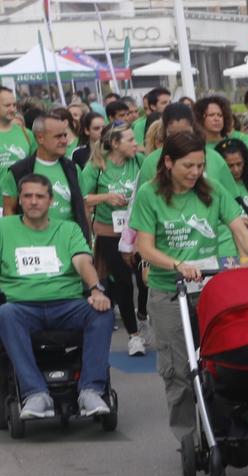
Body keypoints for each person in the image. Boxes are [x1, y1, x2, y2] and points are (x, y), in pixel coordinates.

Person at [131, 130, 248, 459]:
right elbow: (144, 246)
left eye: (200, 166)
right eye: (187, 166)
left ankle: (232, 422)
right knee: (178, 371)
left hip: (210, 287)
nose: (194, 173)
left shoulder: (212, 190)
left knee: (228, 357)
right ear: (168, 163)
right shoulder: (150, 195)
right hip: (168, 289)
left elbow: (237, 227)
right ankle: (188, 439)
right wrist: (177, 263)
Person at [0, 174, 115, 420]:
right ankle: (34, 393)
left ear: (50, 201)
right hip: (21, 308)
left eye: (39, 196)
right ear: (19, 200)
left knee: (102, 311)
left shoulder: (68, 229)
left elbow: (82, 261)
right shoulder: (4, 228)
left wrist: (96, 289)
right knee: (5, 314)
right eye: (27, 196)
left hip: (66, 305)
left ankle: (91, 390)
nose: (33, 201)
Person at [81, 122, 144, 355]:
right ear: (115, 144)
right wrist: (105, 197)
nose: (135, 144)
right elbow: (83, 197)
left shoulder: (138, 162)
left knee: (144, 280)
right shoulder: (97, 166)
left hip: (138, 231)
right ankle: (133, 335)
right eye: (130, 140)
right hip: (109, 232)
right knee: (124, 281)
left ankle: (142, 314)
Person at [4, 112, 86, 228]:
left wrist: (87, 239)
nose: (64, 141)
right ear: (40, 138)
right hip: (32, 242)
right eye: (58, 136)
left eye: (65, 135)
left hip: (68, 241)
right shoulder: (18, 171)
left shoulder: (73, 169)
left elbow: (83, 207)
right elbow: (9, 210)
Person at [0, 87, 35, 174]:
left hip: (23, 186)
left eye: (14, 105)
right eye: (7, 105)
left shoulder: (27, 134)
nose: (12, 109)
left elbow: (37, 165)